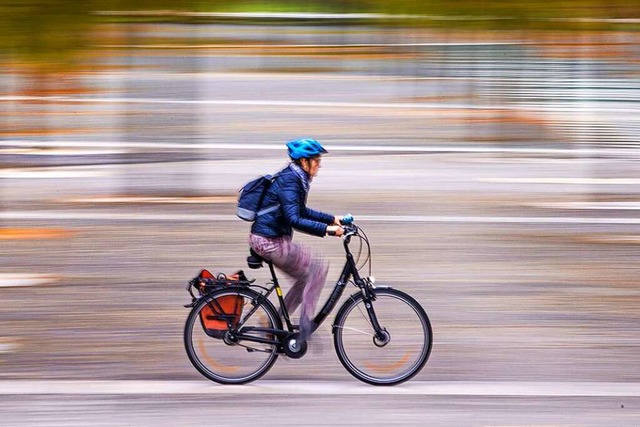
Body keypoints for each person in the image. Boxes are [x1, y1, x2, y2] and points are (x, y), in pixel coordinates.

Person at [248, 138, 345, 345]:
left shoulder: (295, 178)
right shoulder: (291, 181)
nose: (319, 165)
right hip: (268, 241)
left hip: (269, 238)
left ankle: (272, 322)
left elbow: (300, 211)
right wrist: (328, 230)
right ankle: (305, 324)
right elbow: (295, 219)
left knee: (305, 278)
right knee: (317, 270)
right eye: (316, 161)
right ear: (303, 162)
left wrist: (331, 219)